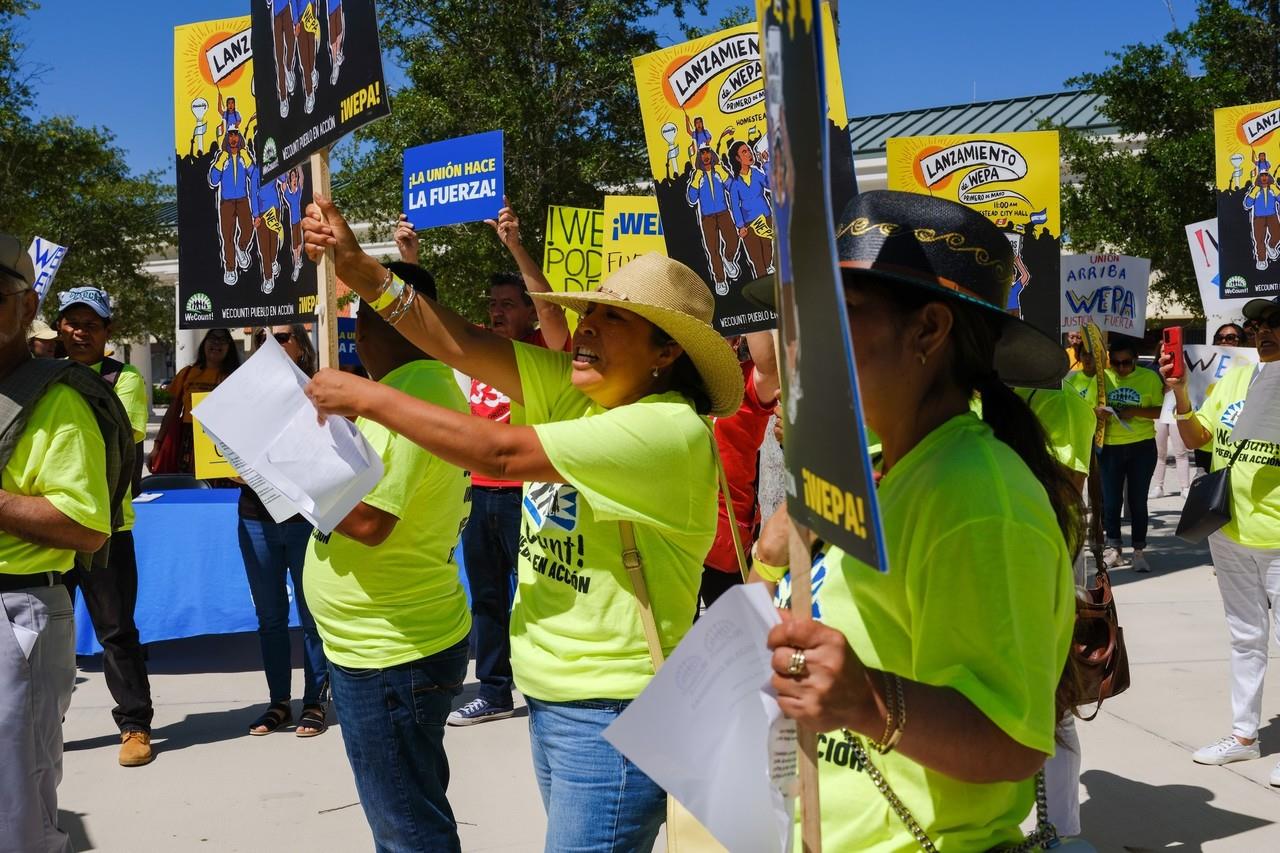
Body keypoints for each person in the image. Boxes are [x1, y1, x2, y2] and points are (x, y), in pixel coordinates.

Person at [302, 194, 742, 853]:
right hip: (558, 697)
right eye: (589, 308)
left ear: (666, 353)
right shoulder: (580, 384)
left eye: (613, 317)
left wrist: (367, 396)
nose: (585, 325)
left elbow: (500, 453)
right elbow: (462, 339)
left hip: (614, 710)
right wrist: (360, 267)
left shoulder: (667, 429)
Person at [749, 191, 1078, 850]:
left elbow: (1013, 739)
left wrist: (867, 700)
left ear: (928, 330)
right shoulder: (886, 467)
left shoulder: (977, 497)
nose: (802, 345)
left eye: (838, 315)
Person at [303, 267, 472, 851]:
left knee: (407, 827)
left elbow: (371, 521)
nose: (356, 342)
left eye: (359, 327)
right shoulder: (414, 393)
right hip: (386, 643)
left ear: (380, 327)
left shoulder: (411, 398)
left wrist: (287, 466)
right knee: (411, 804)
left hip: (391, 652)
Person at [398, 204, 571, 726]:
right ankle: (496, 691)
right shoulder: (476, 347)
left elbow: (555, 316)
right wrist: (411, 259)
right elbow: (424, 324)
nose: (497, 311)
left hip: (532, 492)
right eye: (492, 303)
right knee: (489, 599)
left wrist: (516, 247)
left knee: (540, 592)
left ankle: (551, 688)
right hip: (481, 493)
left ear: (525, 311)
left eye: (507, 304)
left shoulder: (543, 347)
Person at [0, 234, 127, 853]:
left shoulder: (58, 400)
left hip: (17, 614)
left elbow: (87, 527)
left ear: (27, 311)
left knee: (16, 814)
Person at [1164, 296, 1280, 784]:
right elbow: (1195, 438)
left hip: (1277, 538)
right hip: (1228, 530)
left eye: (1276, 324)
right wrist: (1182, 393)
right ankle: (1243, 737)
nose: (1264, 331)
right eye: (1258, 325)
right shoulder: (1236, 378)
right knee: (1245, 638)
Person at [55, 286, 156, 766]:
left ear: (108, 332)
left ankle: (135, 726)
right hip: (51, 527)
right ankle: (43, 724)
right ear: (58, 328)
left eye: (90, 324)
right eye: (72, 323)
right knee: (47, 634)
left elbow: (117, 443)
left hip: (108, 529)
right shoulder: (42, 376)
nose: (80, 331)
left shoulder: (125, 378)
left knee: (115, 631)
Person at [240, 324, 328, 737]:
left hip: (301, 518)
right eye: (261, 338)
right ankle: (278, 703)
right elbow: (226, 454)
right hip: (255, 516)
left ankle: (315, 701)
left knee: (311, 616)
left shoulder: (318, 389)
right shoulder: (240, 393)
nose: (270, 344)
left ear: (302, 344)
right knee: (270, 617)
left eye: (282, 336)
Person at [701, 331, 779, 609]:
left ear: (737, 342)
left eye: (723, 332)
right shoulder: (672, 381)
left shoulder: (745, 385)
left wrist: (744, 307)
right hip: (674, 534)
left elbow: (769, 368)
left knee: (731, 640)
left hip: (725, 539)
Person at [1097, 338, 1164, 571]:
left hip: (1141, 447)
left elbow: (1160, 411)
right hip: (1110, 446)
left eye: (1126, 363)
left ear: (1135, 359)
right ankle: (1113, 548)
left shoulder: (1149, 378)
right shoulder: (1103, 378)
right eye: (1116, 363)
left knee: (1137, 502)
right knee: (1111, 502)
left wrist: (1134, 411)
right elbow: (1088, 408)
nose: (1122, 368)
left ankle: (1139, 551)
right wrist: (1099, 413)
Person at [150, 328, 240, 475]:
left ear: (229, 347)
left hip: (223, 444)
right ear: (204, 343)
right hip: (188, 444)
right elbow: (172, 412)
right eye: (213, 338)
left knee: (220, 494)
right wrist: (157, 445)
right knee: (191, 491)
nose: (217, 343)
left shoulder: (236, 377)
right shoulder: (187, 374)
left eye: (223, 339)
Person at [686, 146, 740, 293]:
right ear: (699, 157)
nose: (705, 156)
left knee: (733, 240)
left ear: (712, 154)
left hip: (723, 213)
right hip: (707, 217)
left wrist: (725, 176)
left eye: (707, 152)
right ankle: (720, 280)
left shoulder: (719, 171)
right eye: (702, 153)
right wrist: (695, 182)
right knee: (713, 249)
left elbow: (732, 188)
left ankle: (728, 259)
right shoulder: (698, 175)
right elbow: (691, 199)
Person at [208, 129, 255, 286]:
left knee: (248, 228)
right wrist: (220, 163)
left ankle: (241, 248)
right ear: (226, 138)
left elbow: (254, 175)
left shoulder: (244, 156)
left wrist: (248, 161)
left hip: (242, 199)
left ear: (239, 138)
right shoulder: (222, 157)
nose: (233, 138)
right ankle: (230, 268)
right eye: (230, 135)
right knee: (227, 236)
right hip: (226, 202)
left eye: (236, 135)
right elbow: (213, 181)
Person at [726, 140, 775, 279]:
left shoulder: (756, 173)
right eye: (744, 152)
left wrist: (766, 164)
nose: (749, 153)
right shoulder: (735, 183)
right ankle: (762, 277)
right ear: (737, 158)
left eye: (749, 150)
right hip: (749, 223)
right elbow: (734, 205)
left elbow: (771, 185)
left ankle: (768, 269)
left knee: (767, 247)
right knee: (755, 254)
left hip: (765, 216)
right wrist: (740, 226)